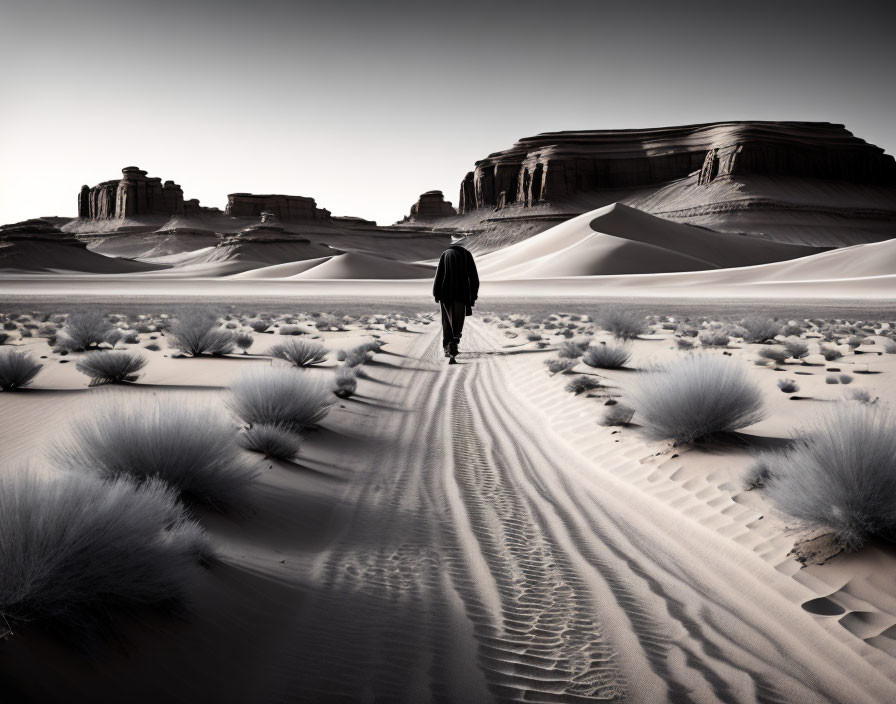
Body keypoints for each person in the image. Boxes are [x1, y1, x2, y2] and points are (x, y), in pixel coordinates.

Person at [432, 243, 479, 364]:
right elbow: (474, 277)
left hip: (445, 294)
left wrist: (436, 293)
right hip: (461, 294)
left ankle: (447, 347)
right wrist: (473, 296)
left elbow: (439, 275)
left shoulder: (445, 254)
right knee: (458, 321)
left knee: (447, 321)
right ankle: (453, 344)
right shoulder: (466, 254)